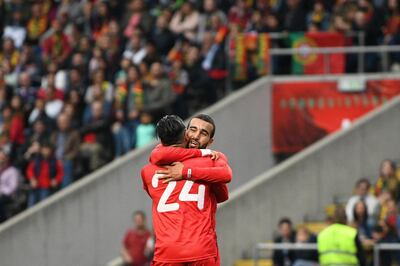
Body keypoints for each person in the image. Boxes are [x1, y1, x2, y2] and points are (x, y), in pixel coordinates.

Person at [141, 115, 231, 266]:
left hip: (166, 252)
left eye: (203, 133)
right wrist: (200, 164)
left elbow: (158, 154)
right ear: (185, 133)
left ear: (210, 141)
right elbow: (224, 191)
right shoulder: (211, 162)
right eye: (193, 130)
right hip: (201, 250)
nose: (196, 136)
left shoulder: (148, 170)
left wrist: (186, 172)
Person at [26, 142, 64, 207]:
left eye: (47, 149)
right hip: (36, 186)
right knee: (31, 204)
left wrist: (56, 180)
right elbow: (29, 170)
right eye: (44, 149)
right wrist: (32, 179)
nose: (46, 151)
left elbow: (61, 172)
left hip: (47, 187)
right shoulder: (36, 160)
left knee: (43, 204)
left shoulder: (55, 161)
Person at [0, 148, 20, 222]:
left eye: (2, 158)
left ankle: (3, 220)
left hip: (8, 197)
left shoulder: (12, 171)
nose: (1, 161)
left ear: (6, 159)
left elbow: (13, 188)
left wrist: (2, 192)